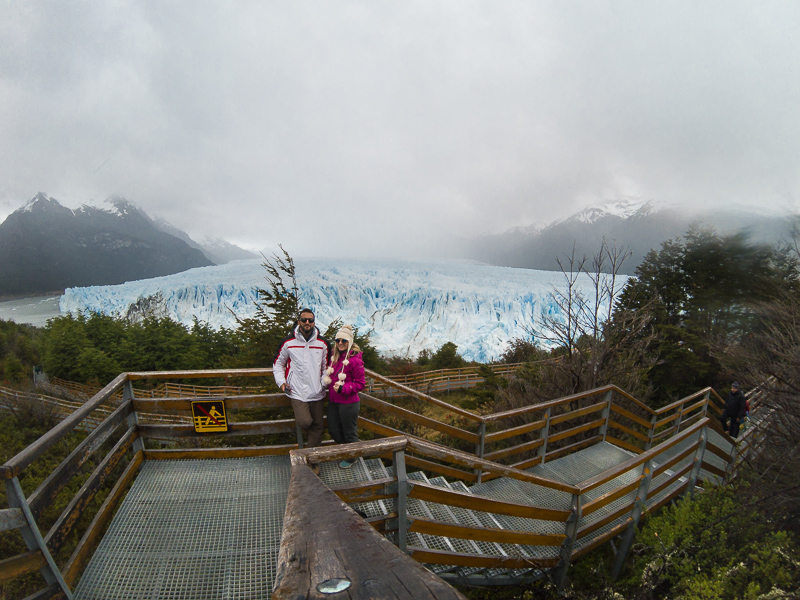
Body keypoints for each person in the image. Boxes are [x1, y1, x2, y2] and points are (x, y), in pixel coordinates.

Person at [274, 308, 330, 453]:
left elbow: (326, 366)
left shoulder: (322, 344)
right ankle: (309, 455)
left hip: (317, 391)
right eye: (304, 320)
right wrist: (281, 383)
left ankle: (312, 459)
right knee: (305, 422)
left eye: (310, 320)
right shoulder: (288, 342)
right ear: (299, 322)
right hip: (296, 391)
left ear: (314, 323)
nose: (307, 323)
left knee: (318, 425)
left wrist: (323, 382)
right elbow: (278, 364)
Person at [323, 324, 365, 469]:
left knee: (349, 432)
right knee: (333, 430)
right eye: (338, 340)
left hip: (349, 403)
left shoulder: (355, 360)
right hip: (334, 401)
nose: (340, 343)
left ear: (350, 342)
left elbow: (361, 383)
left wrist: (344, 388)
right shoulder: (334, 357)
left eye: (344, 341)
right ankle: (349, 451)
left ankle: (352, 456)